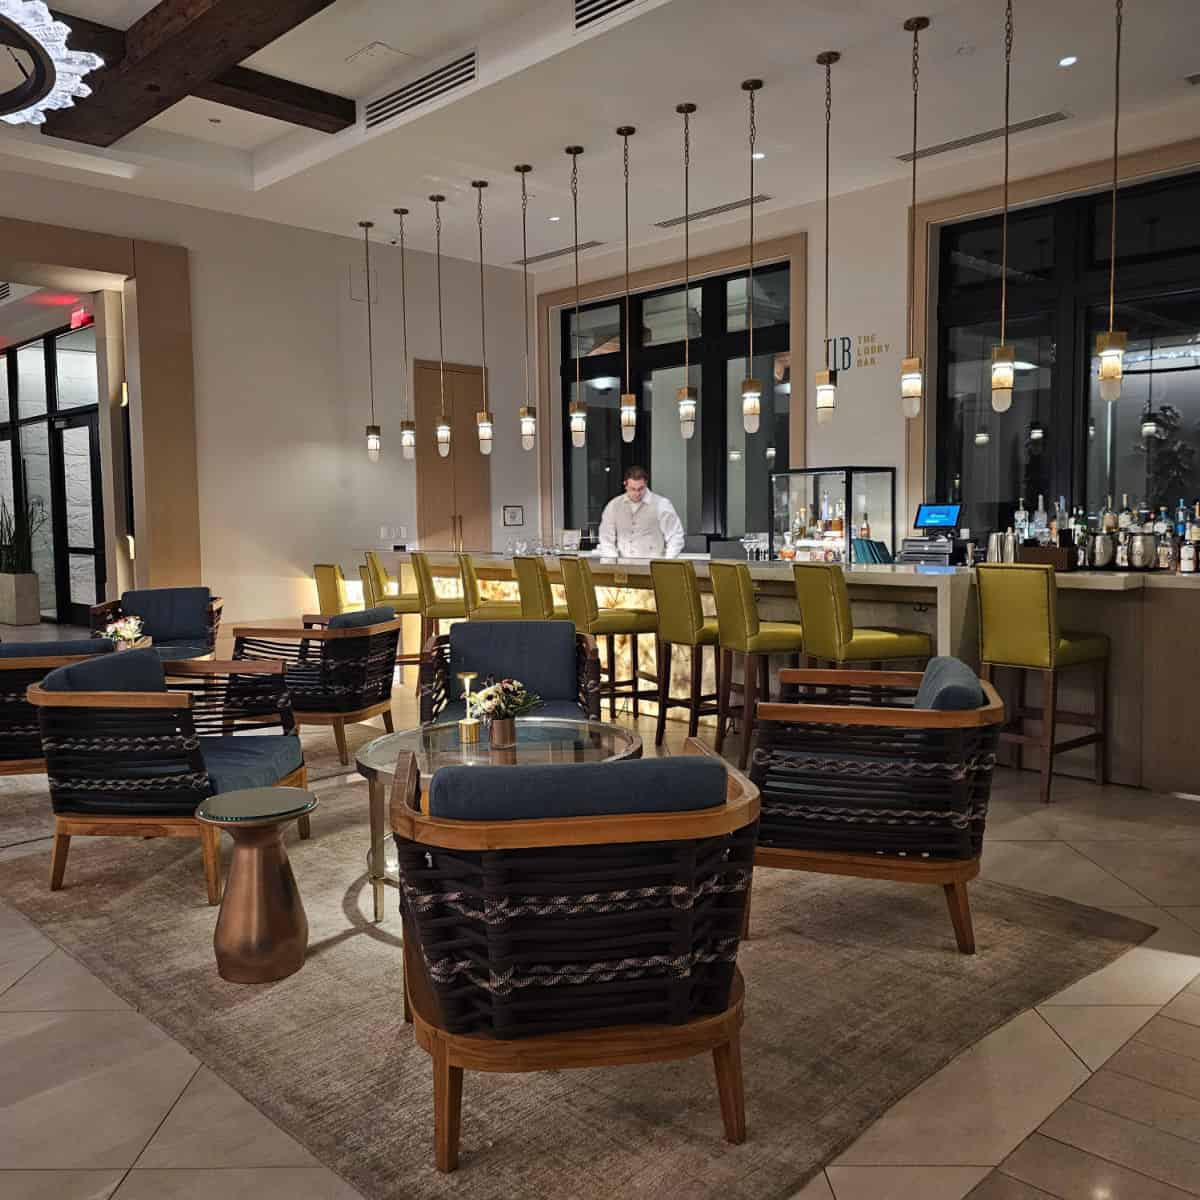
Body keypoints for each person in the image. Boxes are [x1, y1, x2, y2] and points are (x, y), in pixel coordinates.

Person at [596, 465, 685, 559]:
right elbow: (606, 537)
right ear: (625, 485)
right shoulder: (614, 506)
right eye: (633, 489)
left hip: (653, 566)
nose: (637, 493)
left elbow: (675, 536)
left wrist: (667, 563)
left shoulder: (662, 504)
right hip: (623, 567)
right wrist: (613, 563)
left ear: (646, 484)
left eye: (641, 489)